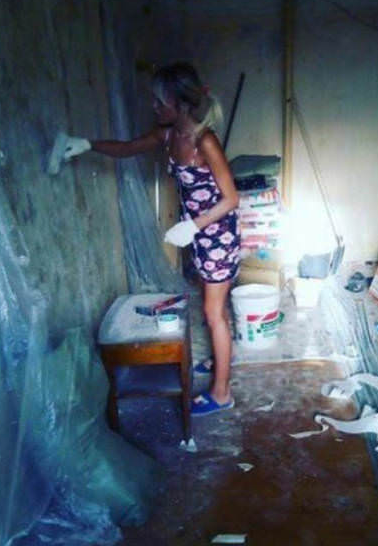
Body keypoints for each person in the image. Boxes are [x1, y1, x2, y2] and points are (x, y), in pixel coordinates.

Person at [55, 62, 240, 416]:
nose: (154, 107)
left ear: (179, 103)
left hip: (218, 235)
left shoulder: (205, 141)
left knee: (213, 312)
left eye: (159, 101)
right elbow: (127, 148)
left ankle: (222, 392)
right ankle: (222, 361)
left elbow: (231, 198)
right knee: (213, 306)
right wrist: (88, 145)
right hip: (200, 234)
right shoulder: (168, 135)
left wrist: (194, 226)